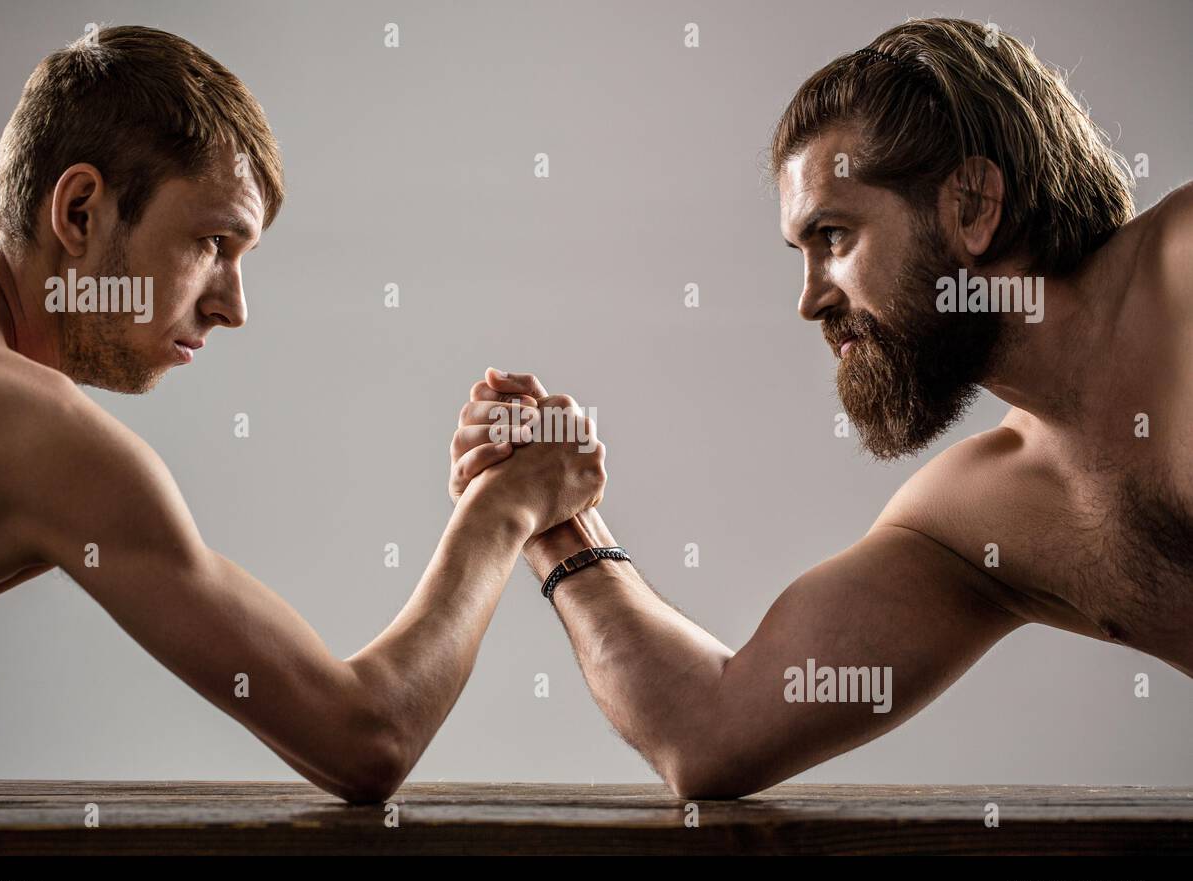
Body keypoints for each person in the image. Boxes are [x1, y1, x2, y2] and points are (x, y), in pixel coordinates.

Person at [450, 18, 1192, 799]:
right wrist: (552, 516)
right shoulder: (982, 519)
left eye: (833, 236)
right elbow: (707, 731)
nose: (809, 301)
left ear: (973, 206)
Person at [0, 26, 606, 803]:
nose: (233, 306)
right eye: (211, 242)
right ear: (80, 210)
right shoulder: (38, 436)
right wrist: (505, 507)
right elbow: (366, 737)